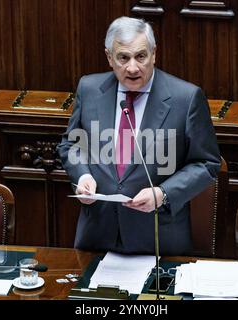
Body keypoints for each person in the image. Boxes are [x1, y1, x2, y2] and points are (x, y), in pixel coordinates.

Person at [57, 16, 220, 256]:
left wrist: (163, 194)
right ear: (109, 57)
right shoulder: (89, 89)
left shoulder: (186, 98)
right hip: (97, 235)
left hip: (158, 240)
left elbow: (207, 164)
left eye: (141, 56)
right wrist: (82, 176)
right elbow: (72, 144)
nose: (133, 67)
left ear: (154, 53)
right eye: (123, 58)